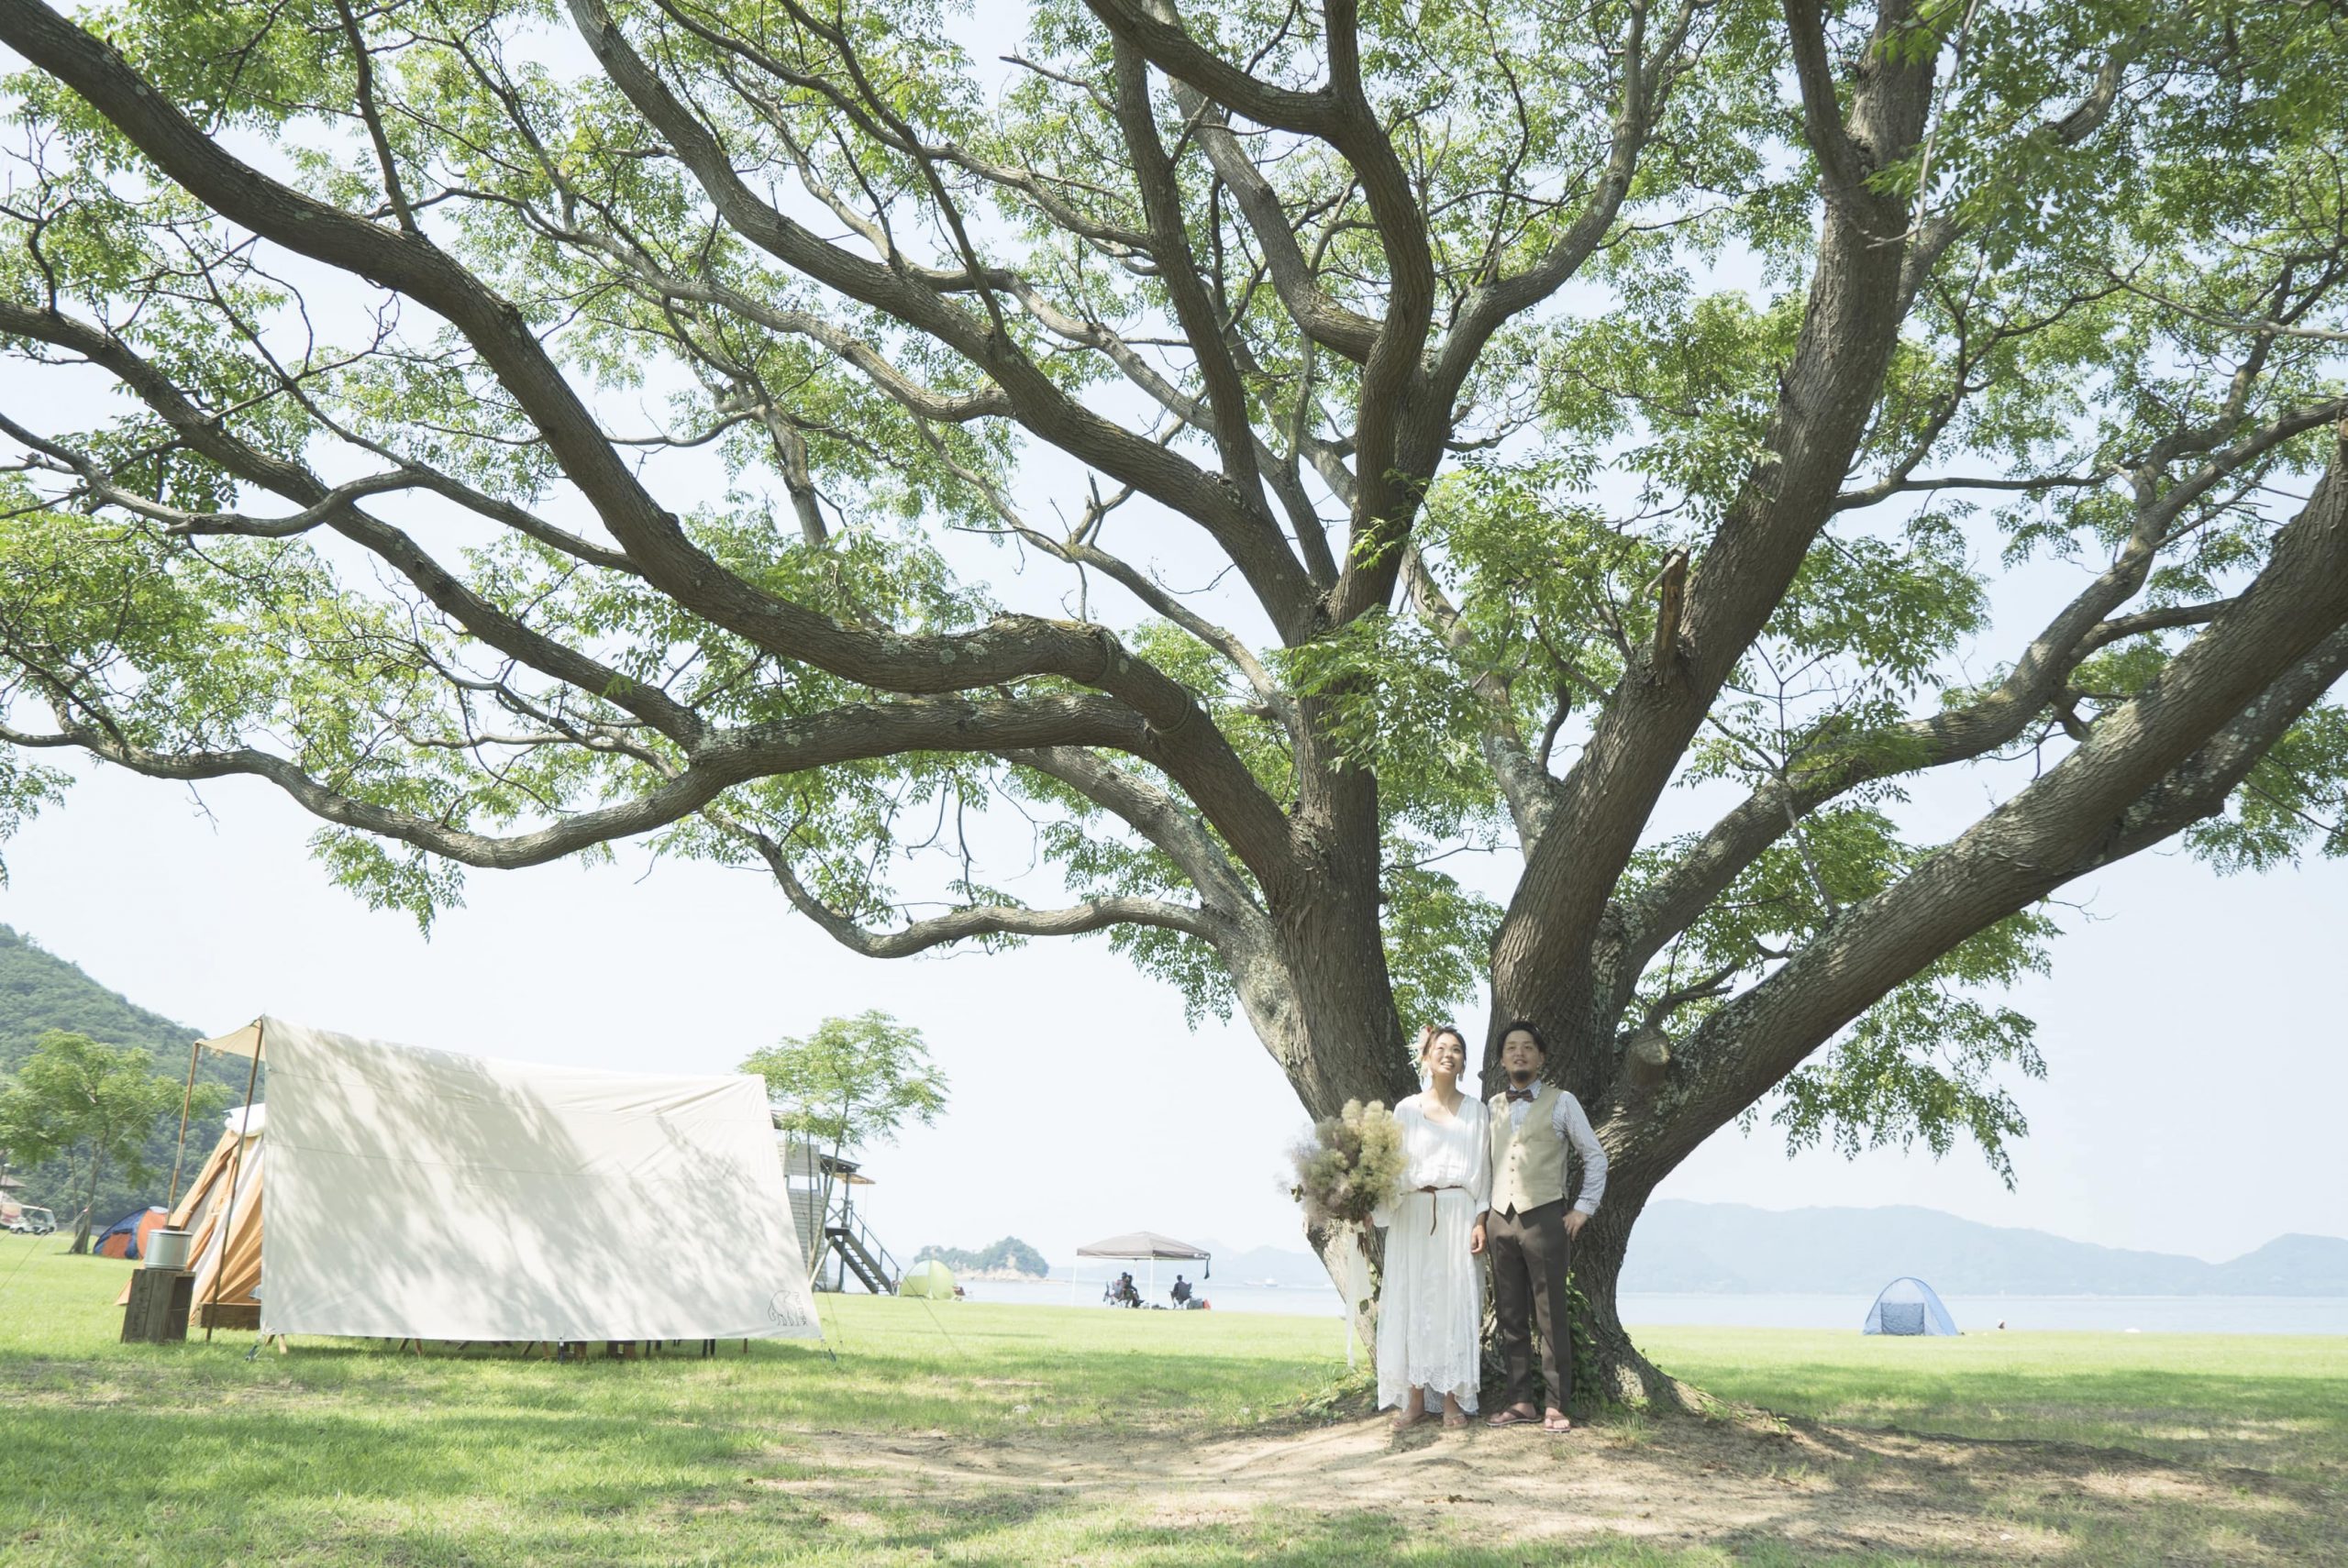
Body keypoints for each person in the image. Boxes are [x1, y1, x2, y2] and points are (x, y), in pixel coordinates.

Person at [1479, 1019, 1607, 1433]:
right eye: (1512, 1047)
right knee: (1511, 1316)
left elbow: (1595, 1155)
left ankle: (1556, 1404)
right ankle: (1520, 1401)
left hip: (1546, 1217)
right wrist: (1482, 1218)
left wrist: (1583, 1209)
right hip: (1500, 1219)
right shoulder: (1491, 1107)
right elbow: (1483, 1167)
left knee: (1550, 1315)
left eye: (1528, 1047)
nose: (1520, 1053)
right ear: (1501, 1058)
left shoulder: (1563, 1101)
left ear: (1541, 1056)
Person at [1372, 1023, 1491, 1430]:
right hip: (1412, 1213)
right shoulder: (1406, 1109)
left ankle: (1454, 1399)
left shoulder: (1477, 1111)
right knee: (1413, 1302)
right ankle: (1415, 1398)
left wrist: (1480, 1219)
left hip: (1458, 1212)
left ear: (1463, 1062)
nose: (1449, 1054)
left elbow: (1485, 1172)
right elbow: (1390, 1170)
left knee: (1454, 1302)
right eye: (1441, 1048)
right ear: (1426, 1058)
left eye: (1457, 1049)